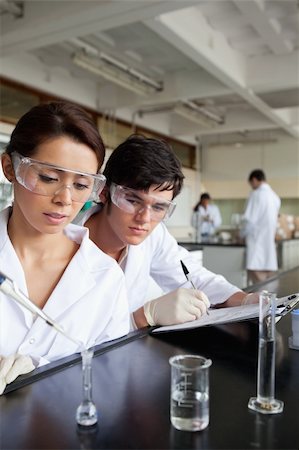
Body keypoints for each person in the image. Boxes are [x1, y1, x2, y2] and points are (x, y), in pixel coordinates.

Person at [0, 102, 129, 394]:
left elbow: (111, 381)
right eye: (48, 178)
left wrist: (46, 375)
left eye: (82, 185)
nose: (65, 199)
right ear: (10, 168)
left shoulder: (105, 278)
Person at [76, 135, 258, 329]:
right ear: (104, 192)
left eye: (159, 207)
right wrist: (141, 318)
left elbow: (193, 276)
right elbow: (67, 338)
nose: (144, 218)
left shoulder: (153, 235)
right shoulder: (65, 247)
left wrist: (246, 301)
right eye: (132, 200)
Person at [240, 169, 281, 284]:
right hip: (268, 243)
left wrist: (240, 234)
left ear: (254, 180)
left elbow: (250, 221)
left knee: (256, 279)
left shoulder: (256, 194)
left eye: (251, 184)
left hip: (256, 241)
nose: (252, 186)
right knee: (269, 279)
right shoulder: (275, 197)